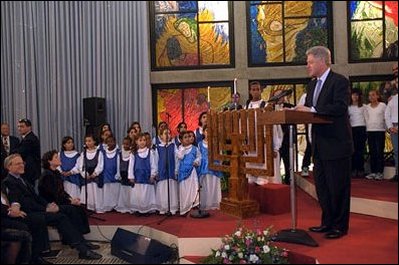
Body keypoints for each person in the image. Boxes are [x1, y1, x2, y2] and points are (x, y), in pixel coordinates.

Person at [295, 46, 353, 239]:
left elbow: (339, 107)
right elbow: (312, 109)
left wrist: (311, 109)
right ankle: (327, 222)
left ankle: (339, 226)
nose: (307, 66)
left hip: (336, 145)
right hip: (319, 146)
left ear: (322, 61)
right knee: (323, 188)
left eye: (310, 62)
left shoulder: (340, 82)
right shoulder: (312, 85)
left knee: (338, 188)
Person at [2, 154, 102, 260]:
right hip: (27, 214)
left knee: (66, 213)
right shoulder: (9, 182)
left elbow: (36, 198)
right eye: (18, 164)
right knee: (61, 217)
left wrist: (47, 205)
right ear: (9, 167)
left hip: (36, 210)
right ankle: (82, 249)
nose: (22, 165)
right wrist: (46, 209)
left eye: (22, 163)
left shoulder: (22, 179)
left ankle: (82, 246)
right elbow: (24, 203)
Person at [39, 150, 93, 239]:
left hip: (59, 201)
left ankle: (80, 236)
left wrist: (71, 199)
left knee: (80, 208)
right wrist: (70, 202)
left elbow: (62, 191)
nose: (59, 158)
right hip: (52, 204)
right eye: (56, 157)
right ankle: (77, 239)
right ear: (49, 161)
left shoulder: (56, 173)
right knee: (72, 210)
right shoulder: (47, 175)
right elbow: (54, 195)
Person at [364, 90, 386, 180]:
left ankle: (380, 172)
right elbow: (366, 118)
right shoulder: (367, 107)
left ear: (377, 96)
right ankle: (373, 172)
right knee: (372, 152)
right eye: (369, 95)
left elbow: (386, 117)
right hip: (370, 130)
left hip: (380, 131)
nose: (371, 97)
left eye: (373, 95)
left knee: (379, 152)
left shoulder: (383, 106)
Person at [13, 119, 41, 187]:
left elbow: (21, 151)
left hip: (29, 171)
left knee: (29, 191)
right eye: (18, 126)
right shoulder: (27, 138)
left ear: (29, 127)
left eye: (22, 126)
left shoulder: (30, 139)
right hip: (29, 170)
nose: (19, 129)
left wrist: (10, 152)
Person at [348, 89, 367, 178]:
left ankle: (361, 169)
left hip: (362, 128)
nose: (355, 97)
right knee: (353, 150)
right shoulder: (348, 107)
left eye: (356, 95)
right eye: (353, 95)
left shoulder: (364, 107)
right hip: (352, 129)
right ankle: (353, 169)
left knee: (361, 150)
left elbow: (367, 119)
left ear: (359, 96)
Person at [385, 92, 398, 181]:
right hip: (393, 127)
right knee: (397, 151)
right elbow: (387, 114)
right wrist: (390, 127)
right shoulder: (393, 99)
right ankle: (397, 173)